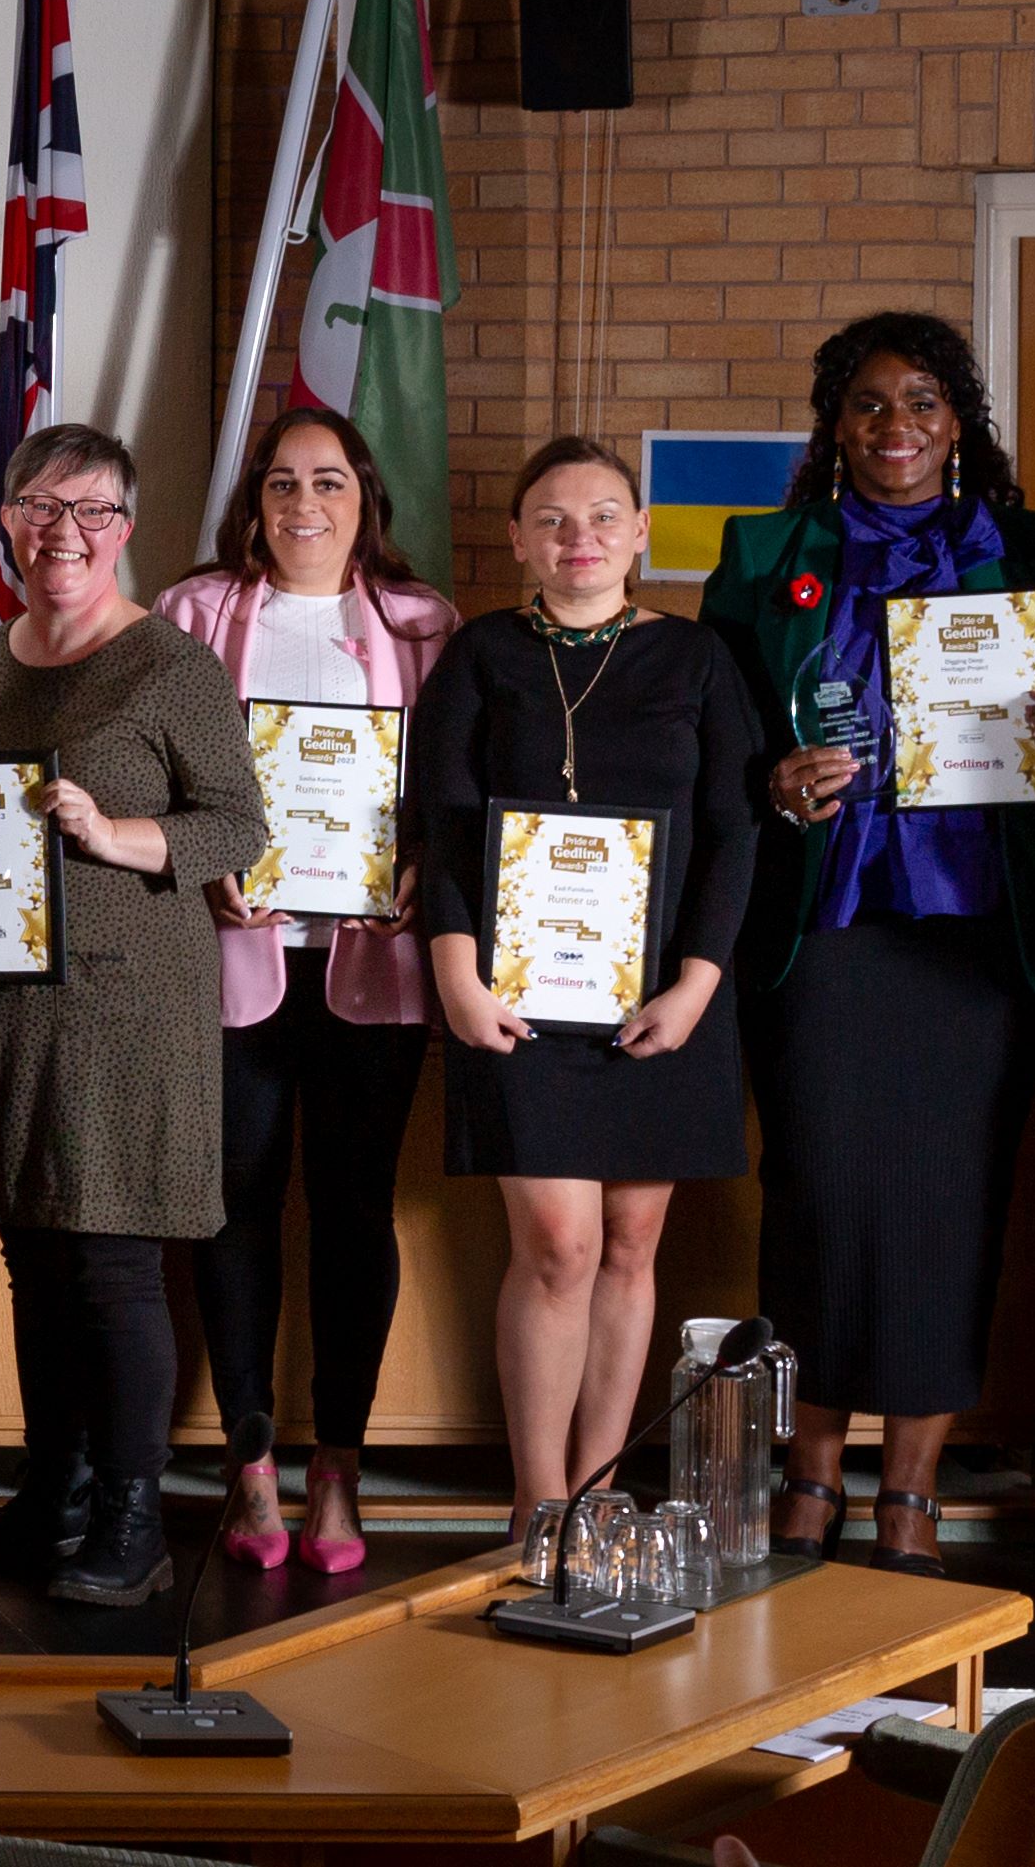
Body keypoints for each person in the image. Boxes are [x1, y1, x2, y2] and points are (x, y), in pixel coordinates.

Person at [698, 312, 1035, 1574]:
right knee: (817, 1193)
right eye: (867, 405)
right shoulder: (764, 551)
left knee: (951, 1205)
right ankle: (809, 1478)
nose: (894, 428)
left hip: (981, 936)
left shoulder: (1030, 548)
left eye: (920, 402)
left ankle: (909, 1493)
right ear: (833, 425)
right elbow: (717, 739)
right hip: (824, 927)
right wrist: (771, 778)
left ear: (957, 422)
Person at [0, 424, 268, 1612]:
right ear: (9, 520)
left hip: (129, 1007)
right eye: (37, 505)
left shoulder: (170, 665)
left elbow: (237, 821)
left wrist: (117, 836)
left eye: (88, 509)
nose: (60, 530)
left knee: (113, 1262)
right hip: (7, 1003)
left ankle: (132, 1515)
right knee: (36, 1252)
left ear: (123, 529)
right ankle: (53, 1491)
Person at [402, 440, 758, 1543]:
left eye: (603, 514)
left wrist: (696, 983)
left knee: (632, 1244)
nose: (579, 536)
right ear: (517, 539)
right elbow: (442, 818)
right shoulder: (478, 655)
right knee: (556, 1241)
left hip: (661, 999)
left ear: (639, 532)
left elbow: (735, 834)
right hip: (515, 991)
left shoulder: (698, 659)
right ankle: (535, 1496)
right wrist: (451, 968)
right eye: (551, 518)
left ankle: (599, 1488)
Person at [151, 400, 454, 1580]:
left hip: (366, 960)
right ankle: (245, 1464)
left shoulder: (422, 621)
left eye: (326, 482)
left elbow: (451, 778)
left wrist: (421, 861)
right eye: (281, 483)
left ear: (363, 498)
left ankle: (337, 1462)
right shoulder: (192, 612)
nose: (303, 504)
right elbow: (158, 770)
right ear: (253, 502)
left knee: (349, 1207)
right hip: (232, 957)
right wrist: (200, 856)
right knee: (229, 1202)